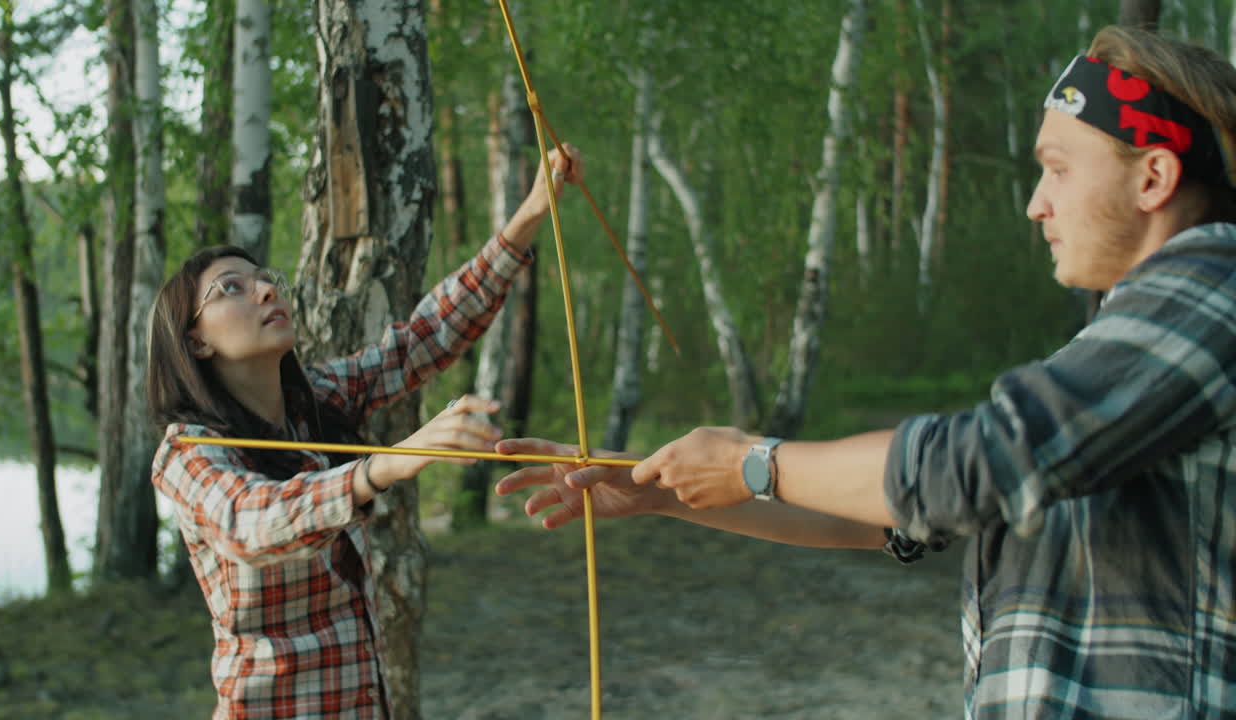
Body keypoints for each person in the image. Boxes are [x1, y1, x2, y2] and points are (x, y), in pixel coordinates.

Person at [497, 26, 1236, 718]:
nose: (1036, 204)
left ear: (1154, 178)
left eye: (1058, 169)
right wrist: (658, 489)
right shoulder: (1119, 353)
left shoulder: (1214, 290)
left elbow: (968, 467)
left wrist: (753, 463)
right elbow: (888, 511)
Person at [147, 144, 582, 719]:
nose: (267, 291)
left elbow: (426, 337)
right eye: (231, 288)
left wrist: (529, 215)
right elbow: (253, 522)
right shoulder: (189, 450)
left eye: (264, 279)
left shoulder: (313, 403)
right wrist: (383, 465)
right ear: (194, 340)